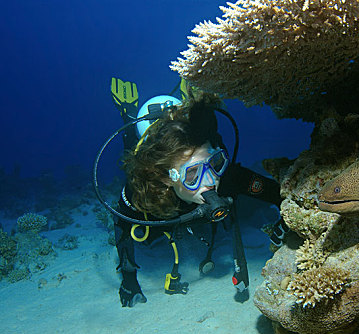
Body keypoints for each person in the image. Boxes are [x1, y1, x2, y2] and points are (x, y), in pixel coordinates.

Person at [107, 78, 290, 307]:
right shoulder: (145, 192)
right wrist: (129, 280)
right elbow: (122, 224)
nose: (211, 182)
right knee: (136, 163)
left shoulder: (223, 176)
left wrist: (288, 220)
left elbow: (278, 194)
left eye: (214, 164)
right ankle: (130, 116)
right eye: (192, 175)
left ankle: (191, 103)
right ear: (168, 178)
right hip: (151, 171)